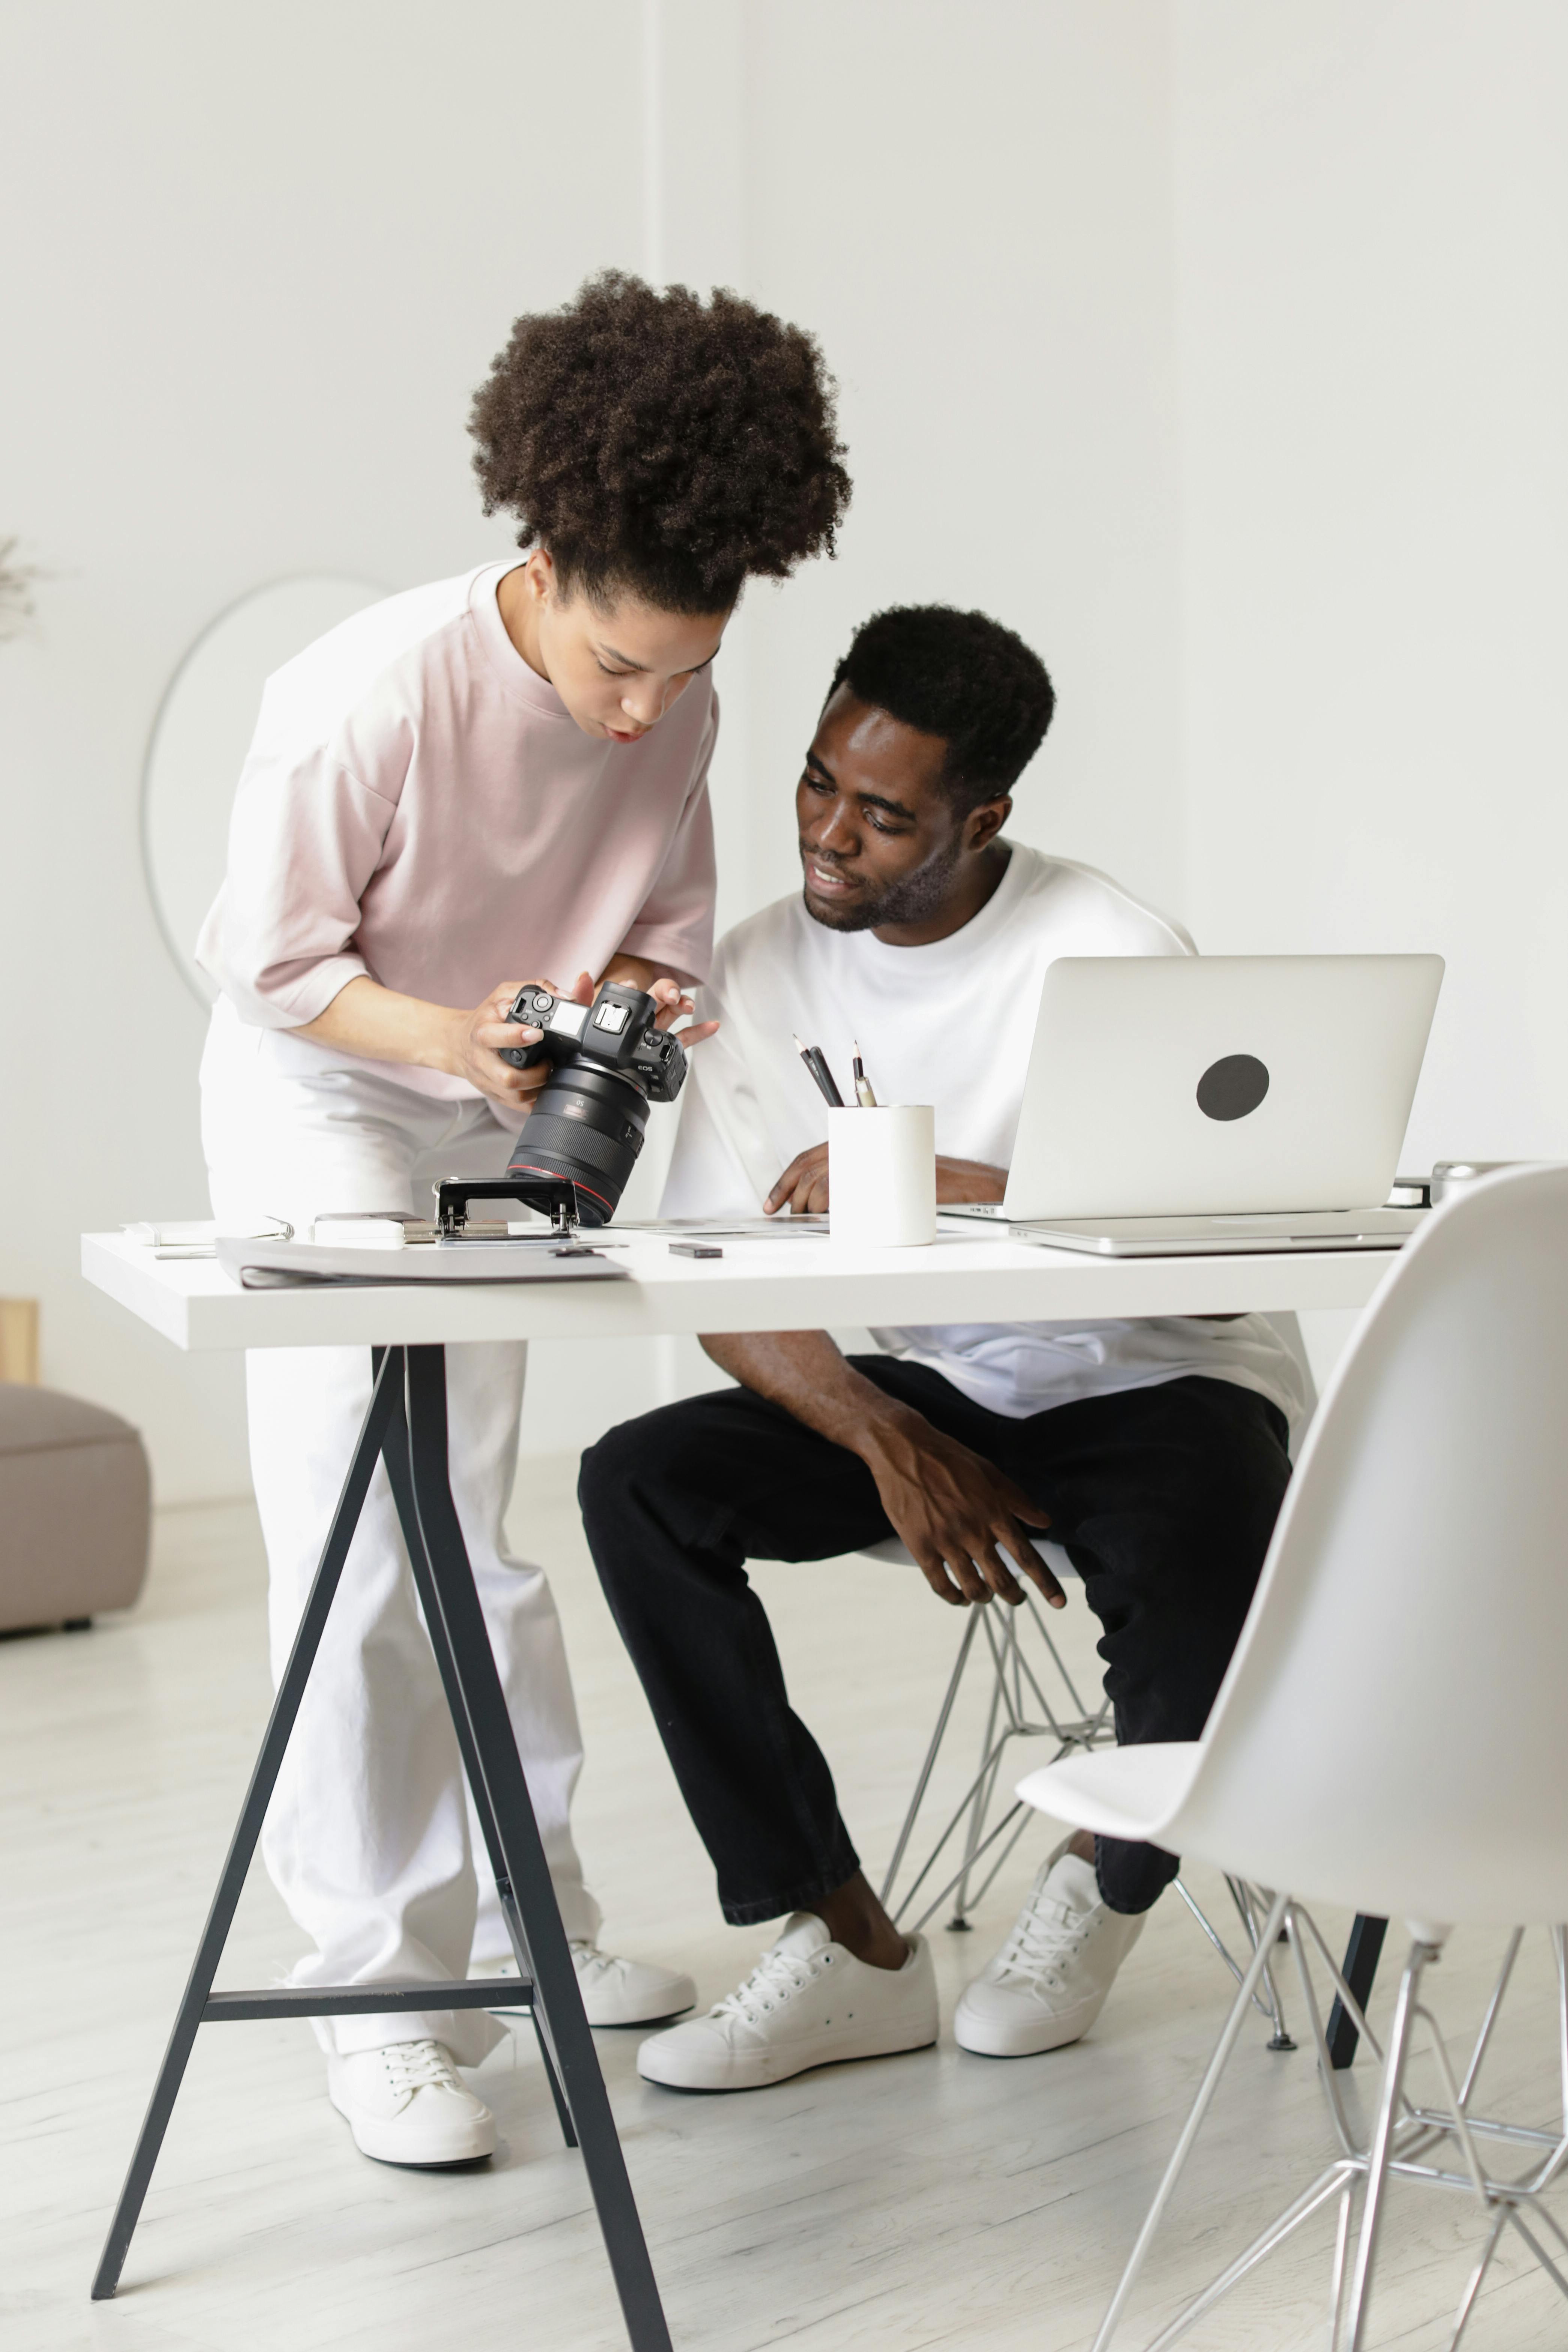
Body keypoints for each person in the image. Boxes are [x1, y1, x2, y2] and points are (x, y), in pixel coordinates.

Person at [197, 272, 852, 2165]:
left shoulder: (681, 693)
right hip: (334, 1080)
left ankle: (525, 1917)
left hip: (501, 1088)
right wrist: (450, 1040)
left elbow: (660, 921)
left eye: (683, 673)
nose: (649, 708)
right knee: (357, 1539)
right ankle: (377, 1998)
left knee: (465, 1530)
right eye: (618, 669)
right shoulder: (362, 692)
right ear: (544, 557)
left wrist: (635, 1007)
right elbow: (270, 964)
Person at [578, 604, 1306, 2093]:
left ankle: (1106, 1881)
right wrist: (889, 1438)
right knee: (637, 1484)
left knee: (1203, 1521)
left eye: (886, 815)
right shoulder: (758, 969)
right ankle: (844, 1941)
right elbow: (722, 1278)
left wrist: (972, 1185)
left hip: (1159, 1371)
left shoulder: (1109, 948)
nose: (830, 837)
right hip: (951, 1388)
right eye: (817, 785)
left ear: (983, 819)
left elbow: (1220, 1222)